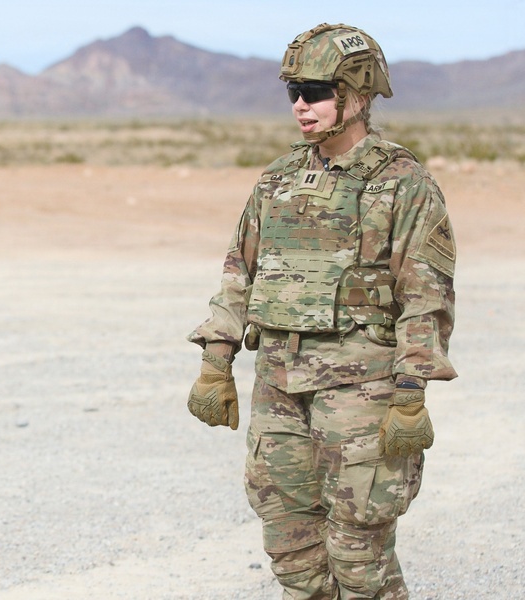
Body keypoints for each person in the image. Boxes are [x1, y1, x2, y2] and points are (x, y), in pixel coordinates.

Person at [185, 23, 456, 599]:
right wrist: (216, 358)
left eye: (316, 90)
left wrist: (411, 392)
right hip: (279, 386)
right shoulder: (278, 181)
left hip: (362, 392)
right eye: (293, 93)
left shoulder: (403, 183)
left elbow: (425, 294)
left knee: (359, 555)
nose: (301, 106)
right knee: (292, 551)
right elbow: (241, 274)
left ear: (357, 93)